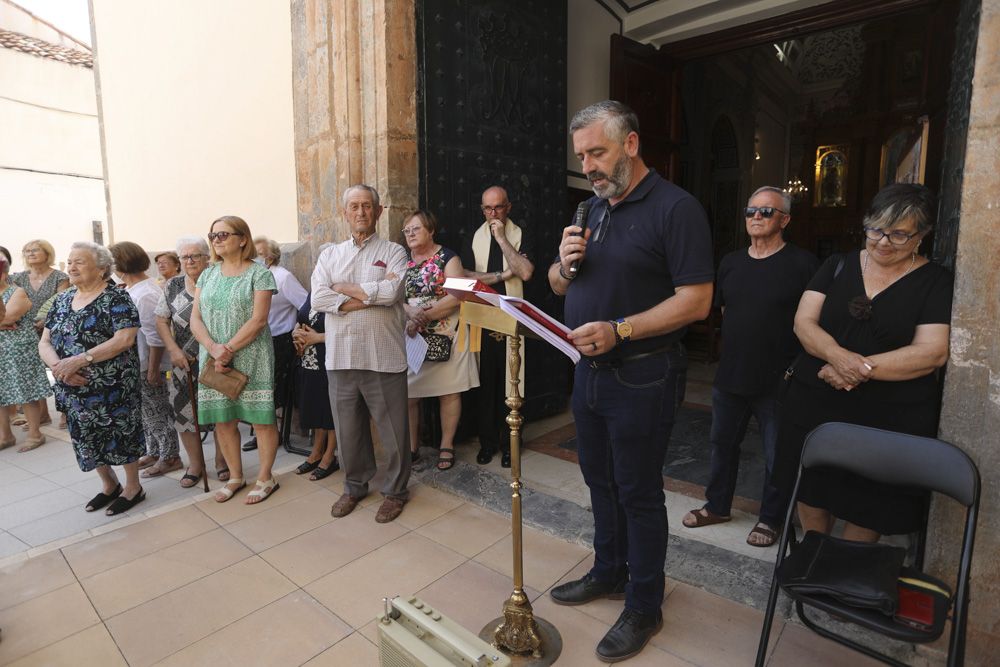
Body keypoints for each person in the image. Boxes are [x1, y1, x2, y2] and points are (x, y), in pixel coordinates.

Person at [547, 100, 714, 662]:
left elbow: (697, 301)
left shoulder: (676, 208)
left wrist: (621, 329)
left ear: (632, 145)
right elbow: (558, 284)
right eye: (582, 156)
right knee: (599, 481)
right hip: (587, 373)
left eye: (598, 152)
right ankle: (608, 570)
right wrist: (564, 264)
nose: (589, 166)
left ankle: (645, 603)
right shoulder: (588, 210)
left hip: (645, 374)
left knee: (638, 491)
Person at [773, 183, 952, 542]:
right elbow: (803, 323)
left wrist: (856, 370)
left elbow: (932, 352)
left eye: (899, 234)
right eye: (876, 230)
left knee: (870, 502)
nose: (884, 242)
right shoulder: (836, 265)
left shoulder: (935, 281)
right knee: (811, 487)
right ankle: (814, 560)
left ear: (922, 235)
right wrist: (839, 358)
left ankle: (845, 576)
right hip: (814, 404)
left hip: (888, 417)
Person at [681, 187, 819, 548]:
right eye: (750, 211)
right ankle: (718, 506)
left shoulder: (803, 264)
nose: (756, 217)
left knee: (777, 454)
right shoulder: (730, 262)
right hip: (732, 375)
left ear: (785, 220)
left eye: (766, 212)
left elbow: (815, 321)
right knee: (721, 445)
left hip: (780, 379)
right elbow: (727, 312)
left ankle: (771, 518)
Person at [311, 184, 410, 524]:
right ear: (345, 213)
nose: (361, 212)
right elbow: (318, 299)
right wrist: (367, 296)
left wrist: (343, 291)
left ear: (378, 211)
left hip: (382, 355)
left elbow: (392, 290)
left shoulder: (395, 252)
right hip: (340, 356)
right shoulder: (329, 255)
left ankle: (396, 491)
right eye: (354, 206)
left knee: (394, 432)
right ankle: (354, 486)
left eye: (367, 206)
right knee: (349, 430)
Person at [38, 242, 146, 515]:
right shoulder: (62, 300)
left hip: (112, 385)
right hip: (72, 386)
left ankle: (133, 487)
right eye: (69, 262)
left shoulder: (117, 298)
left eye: (79, 262)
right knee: (85, 436)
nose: (71, 267)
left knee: (121, 433)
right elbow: (45, 341)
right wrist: (61, 368)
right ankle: (110, 484)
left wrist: (79, 360)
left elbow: (124, 339)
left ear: (100, 269)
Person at [190, 216, 280, 504]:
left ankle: (266, 477)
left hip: (252, 355)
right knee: (223, 420)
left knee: (261, 419)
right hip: (213, 355)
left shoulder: (260, 274)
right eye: (213, 235)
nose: (216, 240)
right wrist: (212, 348)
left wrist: (226, 349)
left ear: (243, 239)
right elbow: (195, 317)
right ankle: (236, 476)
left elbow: (259, 319)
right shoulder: (207, 274)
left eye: (223, 234)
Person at [460, 185, 534, 467]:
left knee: (511, 382)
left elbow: (525, 271)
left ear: (508, 208)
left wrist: (502, 238)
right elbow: (467, 274)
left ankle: (509, 443)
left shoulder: (520, 234)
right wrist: (502, 274)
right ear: (482, 209)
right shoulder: (473, 237)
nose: (493, 214)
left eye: (498, 208)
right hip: (483, 317)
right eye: (488, 209)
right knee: (486, 382)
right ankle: (487, 442)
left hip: (513, 318)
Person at [402, 210, 479, 470]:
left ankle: (446, 444)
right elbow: (394, 297)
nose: (410, 234)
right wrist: (409, 314)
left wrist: (423, 315)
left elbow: (458, 295)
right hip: (413, 337)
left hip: (448, 331)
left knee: (448, 391)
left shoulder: (448, 257)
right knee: (409, 394)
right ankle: (412, 447)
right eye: (407, 231)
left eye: (416, 228)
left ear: (431, 230)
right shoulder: (402, 261)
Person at [155, 236, 228, 487]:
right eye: (185, 257)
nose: (190, 261)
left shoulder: (219, 279)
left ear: (207, 257)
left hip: (217, 359)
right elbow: (161, 320)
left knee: (221, 412)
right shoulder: (173, 285)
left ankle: (222, 460)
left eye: (196, 255)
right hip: (183, 363)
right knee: (185, 416)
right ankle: (196, 465)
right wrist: (173, 350)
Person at [110, 241, 182, 479]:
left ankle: (170, 456)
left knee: (158, 411)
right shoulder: (133, 288)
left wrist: (152, 370)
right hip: (136, 363)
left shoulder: (146, 292)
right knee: (145, 412)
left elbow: (156, 337)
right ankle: (153, 451)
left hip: (147, 363)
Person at [241, 236, 308, 452]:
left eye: (259, 254)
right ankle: (262, 430)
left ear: (270, 256)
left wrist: (299, 329)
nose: (255, 258)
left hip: (280, 339)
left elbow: (305, 304)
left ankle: (272, 433)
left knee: (269, 389)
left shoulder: (282, 277)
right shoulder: (251, 276)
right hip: (257, 339)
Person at [11, 239, 68, 429]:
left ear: (47, 253)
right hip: (25, 331)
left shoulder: (60, 276)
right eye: (27, 251)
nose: (30, 253)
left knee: (58, 369)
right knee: (35, 373)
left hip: (54, 329)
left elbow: (62, 302)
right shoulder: (18, 278)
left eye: (35, 250)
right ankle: (42, 415)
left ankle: (65, 413)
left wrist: (46, 321)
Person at [0, 248, 53, 452]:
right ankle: (5, 436)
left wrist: (4, 322)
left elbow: (10, 317)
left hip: (18, 350)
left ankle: (35, 433)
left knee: (27, 391)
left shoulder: (17, 291)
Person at [291, 289, 340, 480]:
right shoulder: (315, 290)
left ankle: (330, 455)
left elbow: (349, 329)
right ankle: (317, 451)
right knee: (316, 405)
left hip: (331, 359)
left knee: (329, 408)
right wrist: (296, 331)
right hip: (309, 360)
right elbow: (302, 316)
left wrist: (317, 338)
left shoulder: (340, 292)